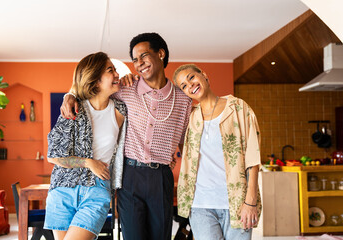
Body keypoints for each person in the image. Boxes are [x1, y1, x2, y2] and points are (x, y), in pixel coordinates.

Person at [60, 33, 192, 240]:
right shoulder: (125, 88)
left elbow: (186, 145)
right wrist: (70, 95)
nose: (139, 63)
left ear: (161, 53)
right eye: (135, 59)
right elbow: (92, 87)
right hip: (129, 176)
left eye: (144, 56)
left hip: (162, 176)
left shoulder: (183, 100)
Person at [44, 52, 127, 240]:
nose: (117, 74)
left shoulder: (120, 110)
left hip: (97, 189)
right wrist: (88, 162)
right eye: (110, 70)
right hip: (63, 189)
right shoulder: (74, 108)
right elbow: (53, 156)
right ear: (96, 80)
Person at [173, 64, 262, 240]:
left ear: (204, 75)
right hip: (200, 205)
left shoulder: (238, 108)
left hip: (237, 203)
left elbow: (253, 155)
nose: (190, 85)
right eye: (183, 85)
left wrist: (250, 201)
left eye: (191, 77)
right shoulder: (189, 118)